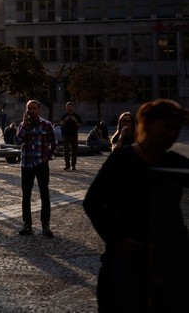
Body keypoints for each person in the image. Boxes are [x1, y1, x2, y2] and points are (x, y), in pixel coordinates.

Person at [83, 99, 189, 313]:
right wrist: (117, 240)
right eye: (166, 126)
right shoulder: (123, 159)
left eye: (176, 128)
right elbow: (92, 202)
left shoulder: (175, 162)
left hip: (167, 262)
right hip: (128, 260)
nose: (172, 134)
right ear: (147, 124)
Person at [15, 99, 56, 238]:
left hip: (41, 164)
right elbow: (17, 141)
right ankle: (27, 224)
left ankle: (46, 225)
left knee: (44, 194)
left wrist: (47, 157)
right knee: (26, 195)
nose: (31, 111)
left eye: (33, 108)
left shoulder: (46, 125)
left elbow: (54, 143)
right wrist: (24, 126)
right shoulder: (23, 125)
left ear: (39, 110)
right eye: (29, 108)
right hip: (26, 164)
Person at [60, 102, 83, 171]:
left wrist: (75, 120)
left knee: (74, 151)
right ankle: (67, 165)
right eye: (68, 107)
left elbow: (80, 126)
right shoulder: (64, 115)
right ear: (66, 108)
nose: (69, 109)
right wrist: (65, 120)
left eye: (71, 107)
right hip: (66, 135)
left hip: (74, 135)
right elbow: (61, 124)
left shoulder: (77, 116)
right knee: (66, 150)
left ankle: (73, 165)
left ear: (73, 108)